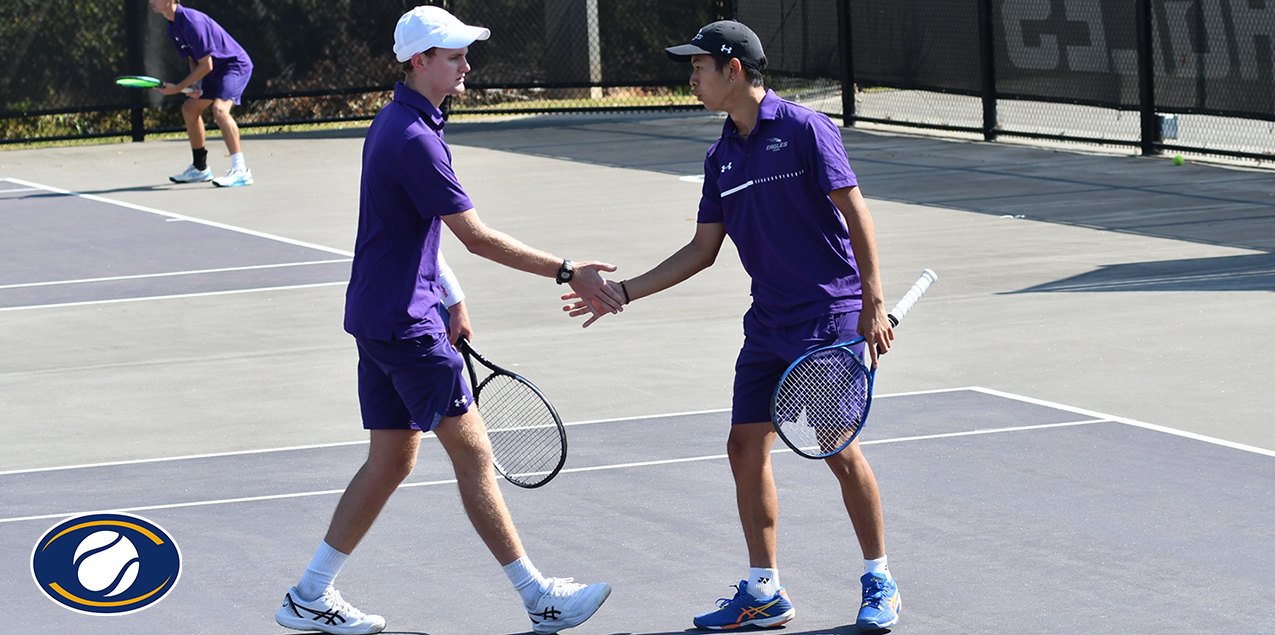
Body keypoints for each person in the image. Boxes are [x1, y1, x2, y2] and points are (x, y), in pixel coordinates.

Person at [274, 6, 623, 635]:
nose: (467, 65)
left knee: (391, 459)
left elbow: (416, 232)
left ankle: (309, 594)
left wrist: (449, 296)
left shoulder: (398, 122)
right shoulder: (414, 139)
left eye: (466, 53)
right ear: (419, 61)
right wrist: (570, 271)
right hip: (406, 326)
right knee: (475, 456)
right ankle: (538, 596)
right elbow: (477, 238)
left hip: (380, 315)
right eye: (454, 55)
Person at [563, 20, 902, 632]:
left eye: (698, 67)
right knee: (744, 447)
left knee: (838, 449)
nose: (690, 78)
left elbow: (855, 214)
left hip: (828, 316)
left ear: (734, 69)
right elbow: (701, 250)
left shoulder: (804, 129)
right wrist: (624, 293)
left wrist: (872, 303)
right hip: (768, 323)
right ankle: (764, 590)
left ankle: (879, 578)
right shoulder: (720, 156)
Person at [149, 0, 254, 188]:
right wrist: (196, 85)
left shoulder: (191, 22)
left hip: (234, 66)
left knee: (220, 110)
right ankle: (200, 168)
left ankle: (241, 171)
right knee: (190, 108)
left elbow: (207, 64)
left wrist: (178, 87)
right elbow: (194, 57)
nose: (151, 0)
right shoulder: (172, 27)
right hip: (214, 71)